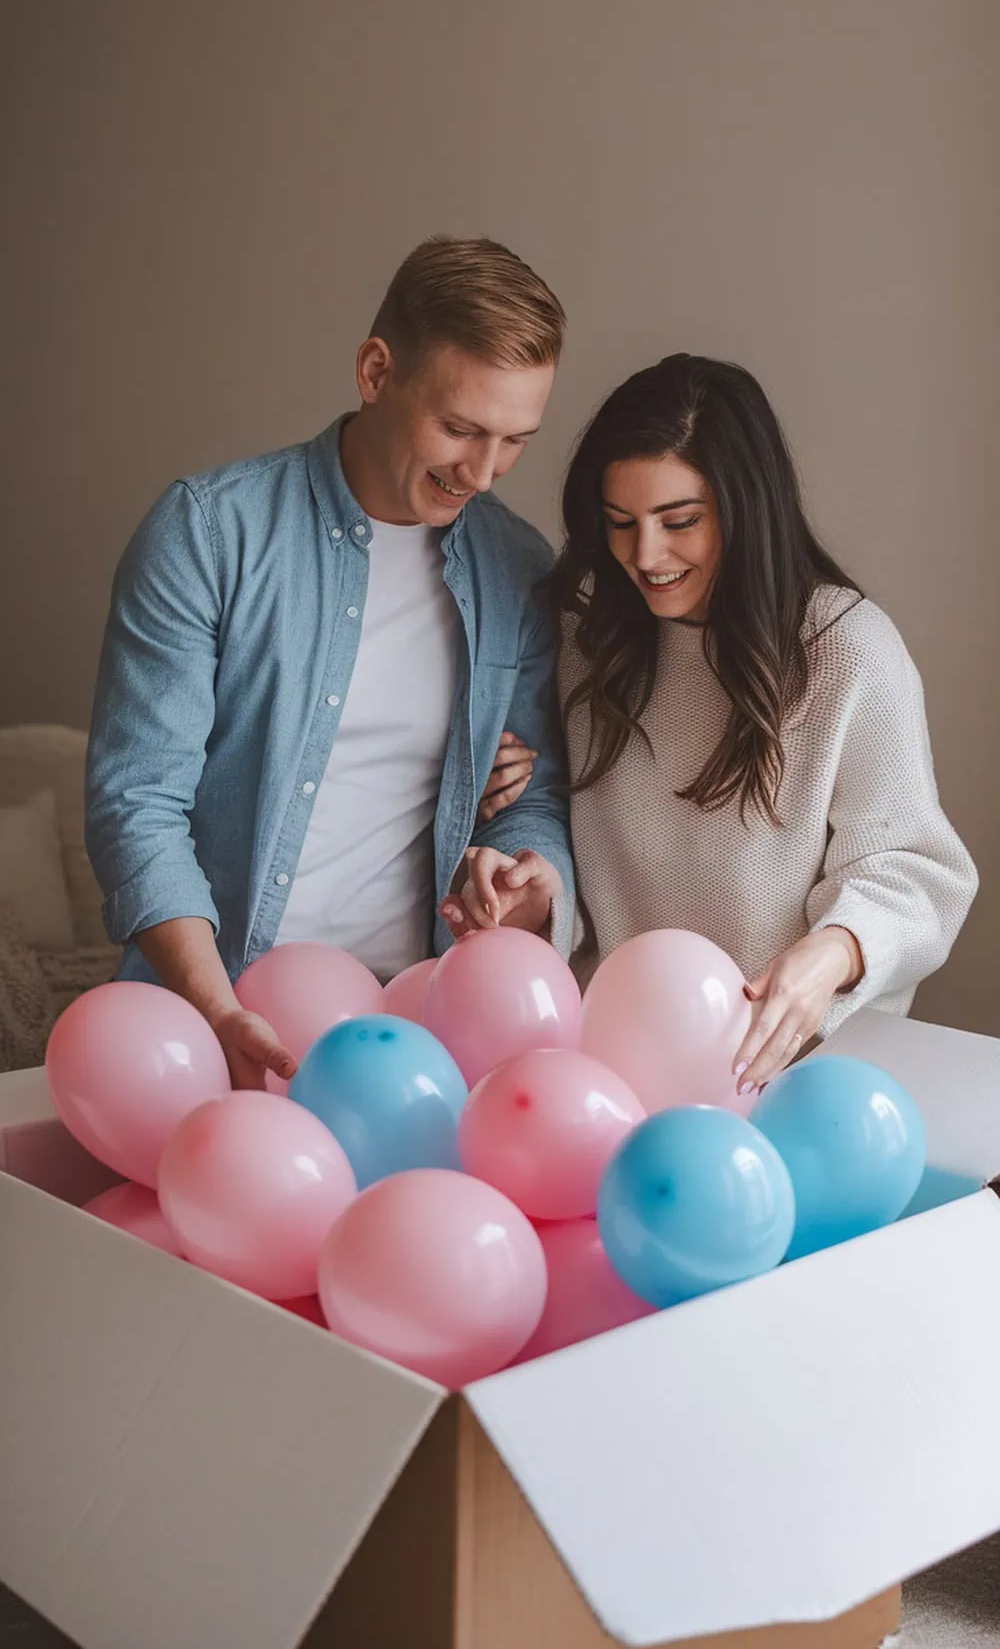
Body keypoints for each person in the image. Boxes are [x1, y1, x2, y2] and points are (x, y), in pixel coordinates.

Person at [86, 236, 574, 1090]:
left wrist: (530, 880)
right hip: (209, 1012)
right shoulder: (209, 533)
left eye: (515, 440)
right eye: (459, 428)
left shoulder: (519, 570)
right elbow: (137, 803)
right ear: (376, 371)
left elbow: (529, 801)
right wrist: (216, 1008)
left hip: (414, 1039)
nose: (484, 473)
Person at [453, 353, 977, 1096]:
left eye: (681, 521)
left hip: (792, 1079)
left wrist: (833, 952)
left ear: (744, 507)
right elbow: (558, 822)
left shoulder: (846, 649)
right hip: (611, 1069)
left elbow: (913, 870)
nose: (645, 555)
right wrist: (539, 888)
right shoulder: (584, 632)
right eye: (620, 524)